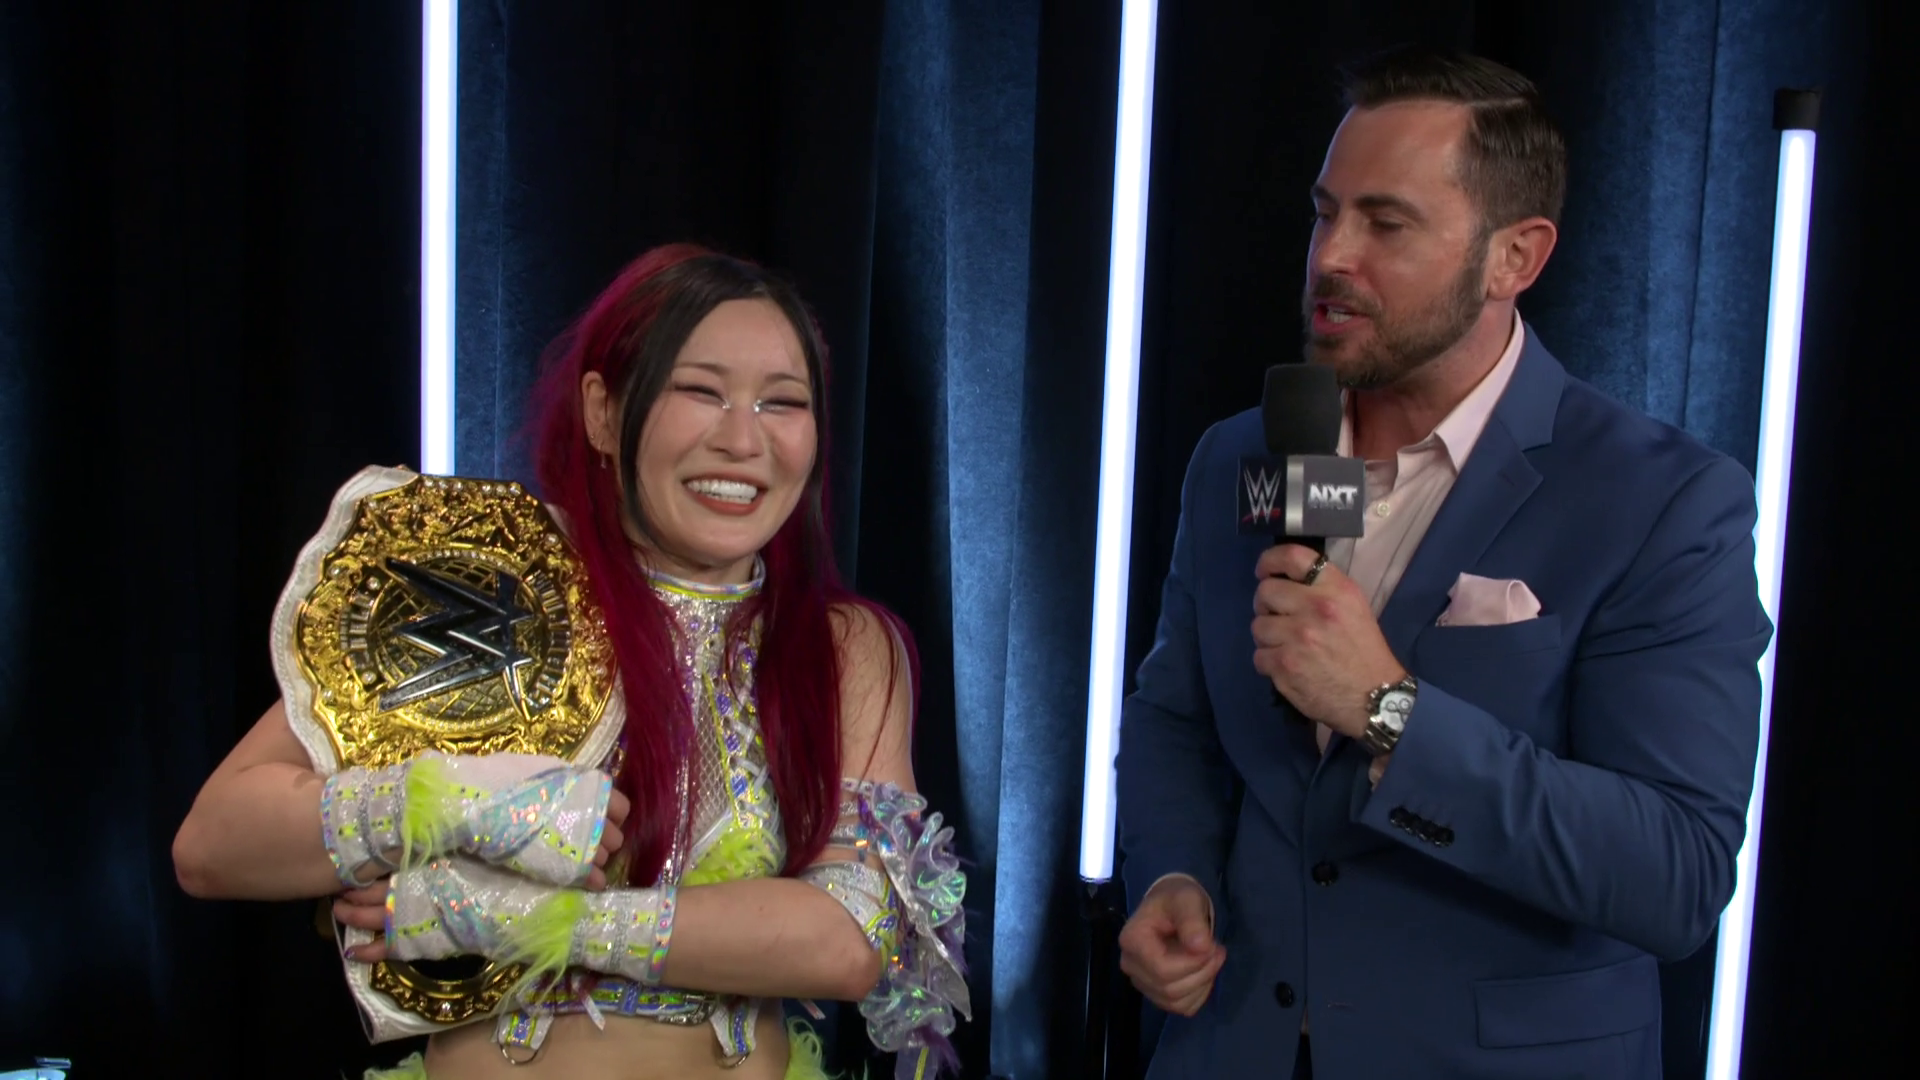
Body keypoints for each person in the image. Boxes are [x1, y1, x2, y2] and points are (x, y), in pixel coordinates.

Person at [1113, 45, 1769, 1080]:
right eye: (1326, 213)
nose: (1332, 256)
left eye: (1387, 224)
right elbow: (1176, 719)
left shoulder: (1660, 502)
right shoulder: (1250, 455)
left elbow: (1674, 875)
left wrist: (1387, 712)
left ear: (1516, 258)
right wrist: (1171, 876)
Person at [173, 244, 970, 1080]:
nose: (744, 439)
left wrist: (536, 921)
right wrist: (456, 803)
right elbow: (212, 846)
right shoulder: (493, 594)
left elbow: (847, 941)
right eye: (700, 392)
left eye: (784, 402)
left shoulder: (841, 648)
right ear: (602, 411)